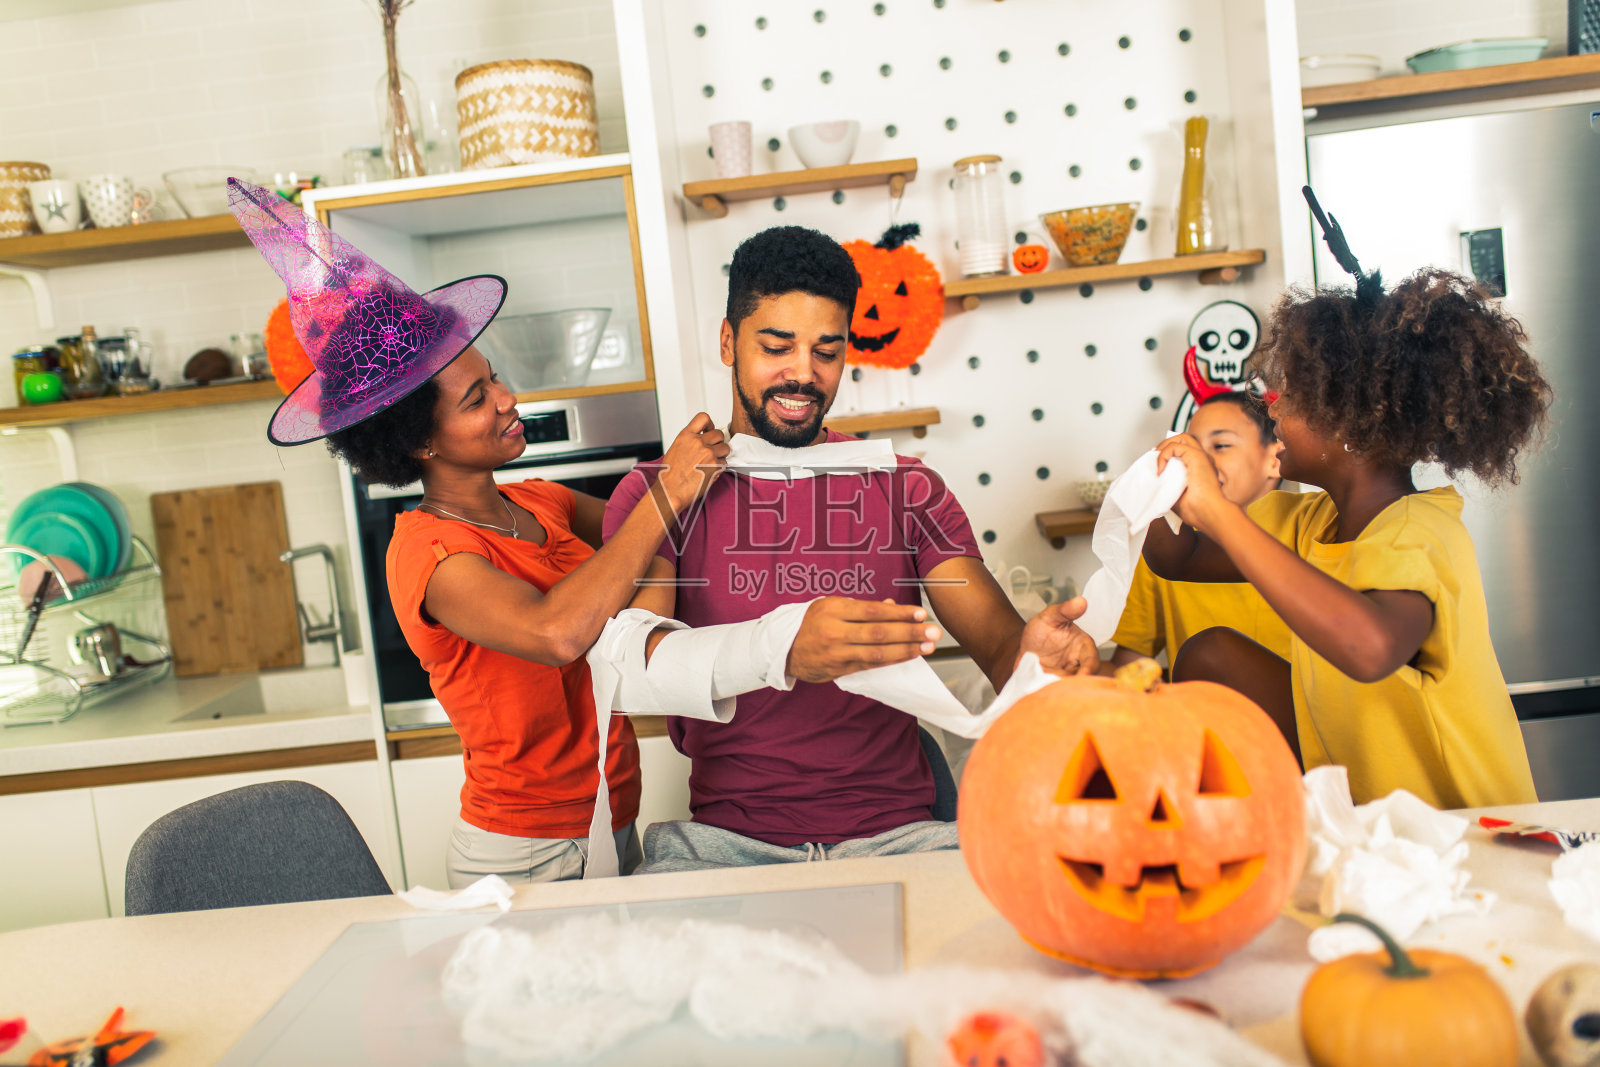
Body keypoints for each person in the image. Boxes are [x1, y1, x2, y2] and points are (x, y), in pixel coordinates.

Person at [226, 177, 738, 885]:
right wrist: (667, 499)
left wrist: (691, 484)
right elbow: (558, 629)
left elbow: (653, 539)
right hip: (526, 852)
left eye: (494, 377)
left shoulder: (542, 500)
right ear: (420, 444)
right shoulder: (430, 554)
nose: (507, 398)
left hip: (613, 819)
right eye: (476, 398)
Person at [604, 225, 1100, 872]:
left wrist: (1034, 661)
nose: (803, 374)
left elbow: (1002, 648)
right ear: (727, 341)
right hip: (726, 845)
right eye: (776, 346)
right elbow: (636, 669)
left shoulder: (907, 485)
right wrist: (781, 645)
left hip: (900, 836)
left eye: (827, 351)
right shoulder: (659, 492)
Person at [1144, 266, 1550, 808]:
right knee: (1210, 655)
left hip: (1468, 834)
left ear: (1351, 420)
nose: (1272, 406)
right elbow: (1180, 556)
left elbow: (1371, 648)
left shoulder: (1416, 532)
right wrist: (1154, 492)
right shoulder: (1306, 522)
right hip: (1377, 830)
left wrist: (1221, 514)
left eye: (1292, 395)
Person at [1109, 392, 1293, 743]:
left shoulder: (1304, 532)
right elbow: (1129, 666)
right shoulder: (1168, 553)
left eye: (1221, 446)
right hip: (1203, 740)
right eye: (1191, 446)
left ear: (1275, 458)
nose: (1199, 462)